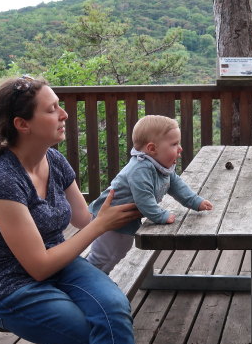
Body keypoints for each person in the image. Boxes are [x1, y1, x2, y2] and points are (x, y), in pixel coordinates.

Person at [0, 75, 141, 344]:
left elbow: (84, 218)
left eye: (59, 106)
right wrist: (101, 225)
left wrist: (141, 200)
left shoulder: (53, 160)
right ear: (22, 124)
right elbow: (39, 265)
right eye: (52, 109)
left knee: (115, 315)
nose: (64, 115)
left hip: (62, 265)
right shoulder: (0, 180)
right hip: (12, 287)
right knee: (101, 338)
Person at [86, 115, 213, 274]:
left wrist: (195, 201)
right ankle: (86, 281)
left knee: (117, 253)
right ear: (152, 149)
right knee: (104, 257)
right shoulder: (140, 169)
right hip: (110, 219)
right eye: (174, 144)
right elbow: (143, 200)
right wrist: (161, 215)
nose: (180, 148)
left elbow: (177, 185)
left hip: (126, 219)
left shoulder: (159, 165)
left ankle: (96, 279)